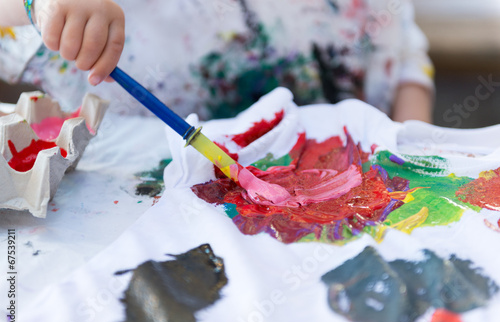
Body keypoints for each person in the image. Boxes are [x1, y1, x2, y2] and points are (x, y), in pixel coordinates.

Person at [0, 0, 434, 122]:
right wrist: (41, 4)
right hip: (142, 212)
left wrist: (412, 145)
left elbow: (407, 57)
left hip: (356, 199)